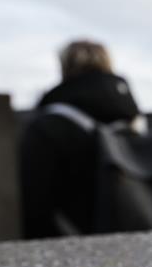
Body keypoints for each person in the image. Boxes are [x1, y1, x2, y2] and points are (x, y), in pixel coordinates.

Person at [20, 39, 143, 238]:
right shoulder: (133, 119)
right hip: (137, 234)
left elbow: (34, 203)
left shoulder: (49, 125)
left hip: (73, 242)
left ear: (64, 66)